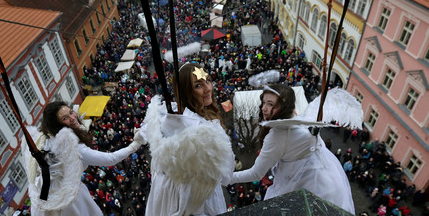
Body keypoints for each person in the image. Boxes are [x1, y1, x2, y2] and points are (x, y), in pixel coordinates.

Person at [229, 84, 355, 214]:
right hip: (328, 175)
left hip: (307, 181)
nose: (263, 108)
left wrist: (227, 177)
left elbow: (256, 173)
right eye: (264, 102)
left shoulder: (277, 136)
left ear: (284, 107)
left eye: (271, 104)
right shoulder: (298, 117)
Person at [139, 62, 234, 215]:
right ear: (185, 91)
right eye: (198, 85)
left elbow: (145, 132)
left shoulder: (167, 115)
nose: (208, 88)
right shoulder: (207, 131)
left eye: (207, 81)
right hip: (200, 204)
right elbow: (225, 176)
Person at [23, 101, 144, 215]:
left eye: (71, 112)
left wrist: (77, 124)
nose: (72, 117)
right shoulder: (74, 149)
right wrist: (134, 145)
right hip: (69, 201)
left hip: (45, 199)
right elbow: (111, 159)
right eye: (65, 118)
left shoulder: (44, 139)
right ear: (57, 125)